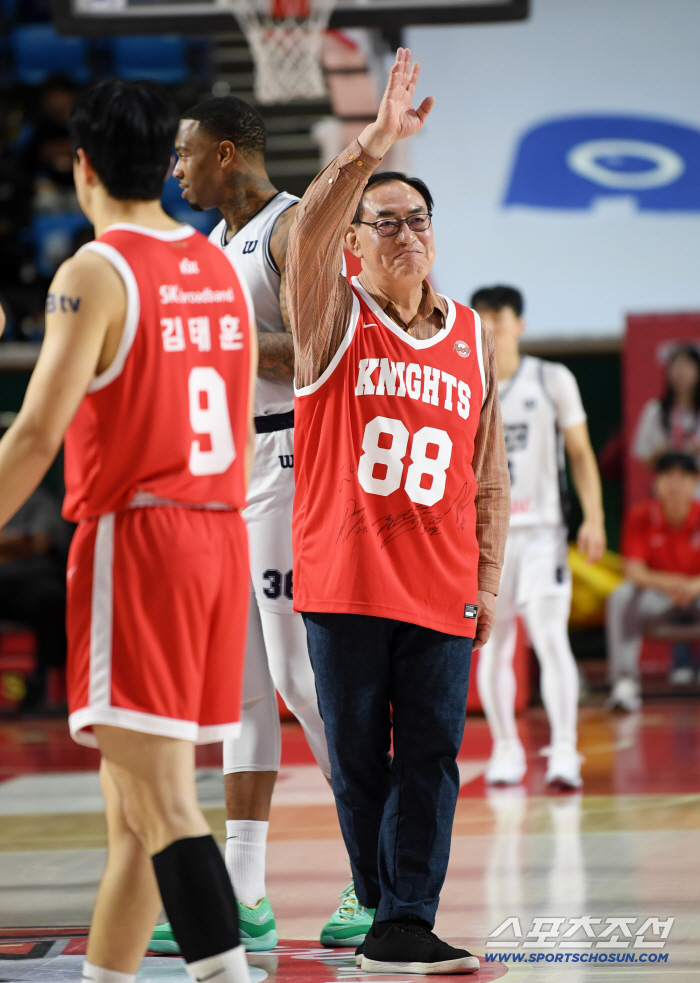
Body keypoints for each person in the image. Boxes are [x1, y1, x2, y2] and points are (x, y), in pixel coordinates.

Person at [0, 79, 257, 983]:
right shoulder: (221, 267)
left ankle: (224, 974)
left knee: (163, 807)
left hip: (140, 540)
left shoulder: (95, 270)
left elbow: (35, 432)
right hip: (220, 539)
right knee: (133, 819)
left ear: (83, 166)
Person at [286, 48, 510, 975]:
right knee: (357, 762)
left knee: (432, 756)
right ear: (357, 242)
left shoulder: (470, 338)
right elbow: (306, 233)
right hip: (343, 579)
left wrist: (488, 576)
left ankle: (407, 913)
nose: (406, 234)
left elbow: (487, 474)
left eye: (418, 220)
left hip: (438, 583)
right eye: (386, 222)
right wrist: (371, 144)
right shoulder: (330, 317)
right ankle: (382, 901)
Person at [163, 97, 361, 953]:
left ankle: (379, 865)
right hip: (227, 471)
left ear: (229, 154)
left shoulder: (289, 229)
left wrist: (225, 339)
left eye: (187, 154)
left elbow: (328, 343)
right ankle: (245, 895)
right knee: (237, 689)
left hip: (288, 461)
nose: (177, 169)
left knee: (298, 676)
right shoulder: (212, 246)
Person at [472, 285, 606, 789]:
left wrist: (593, 517)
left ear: (519, 325)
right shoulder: (466, 379)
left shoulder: (552, 378)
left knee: (550, 638)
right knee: (494, 643)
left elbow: (581, 452)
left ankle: (565, 751)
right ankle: (507, 750)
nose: (490, 325)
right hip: (487, 536)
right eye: (482, 316)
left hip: (543, 532)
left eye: (499, 317)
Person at [607, 452, 700, 712]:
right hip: (659, 600)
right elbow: (633, 571)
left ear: (695, 482)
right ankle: (624, 683)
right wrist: (671, 583)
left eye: (683, 476)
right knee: (622, 596)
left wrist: (693, 586)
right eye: (668, 476)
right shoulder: (641, 516)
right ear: (656, 482)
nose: (675, 483)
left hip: (696, 595)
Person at [0, 477, 71, 712]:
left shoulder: (38, 501)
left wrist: (21, 545)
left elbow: (38, 542)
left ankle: (43, 681)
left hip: (28, 581)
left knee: (53, 600)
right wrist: (17, 543)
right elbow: (26, 542)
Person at [633, 344, 700, 470]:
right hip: (666, 485)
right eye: (676, 366)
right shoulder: (655, 410)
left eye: (687, 366)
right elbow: (642, 457)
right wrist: (662, 450)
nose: (681, 372)